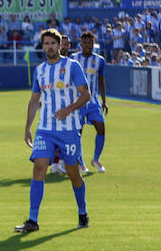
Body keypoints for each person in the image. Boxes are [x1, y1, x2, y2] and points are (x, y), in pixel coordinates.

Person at [16, 29, 90, 233]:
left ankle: (82, 212)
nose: (49, 47)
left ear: (59, 45)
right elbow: (34, 101)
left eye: (52, 43)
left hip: (69, 129)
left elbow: (86, 95)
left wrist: (69, 109)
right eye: (46, 44)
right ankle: (32, 220)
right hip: (45, 129)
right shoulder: (39, 70)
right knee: (39, 168)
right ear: (42, 47)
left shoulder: (72, 66)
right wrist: (27, 128)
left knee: (73, 173)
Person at [74, 30, 108, 173]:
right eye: (85, 42)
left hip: (93, 101)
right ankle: (81, 163)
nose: (88, 45)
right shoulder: (74, 59)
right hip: (78, 101)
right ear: (81, 44)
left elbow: (101, 80)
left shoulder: (100, 60)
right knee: (78, 132)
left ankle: (96, 159)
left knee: (101, 128)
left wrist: (104, 101)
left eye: (90, 43)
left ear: (94, 44)